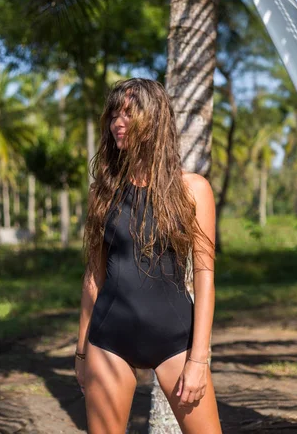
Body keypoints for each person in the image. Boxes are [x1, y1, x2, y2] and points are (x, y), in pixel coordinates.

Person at [75, 78, 222, 433]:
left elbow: (204, 277)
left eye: (128, 113)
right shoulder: (103, 192)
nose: (117, 123)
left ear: (154, 120)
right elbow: (95, 275)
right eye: (113, 114)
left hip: (175, 340)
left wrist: (198, 360)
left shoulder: (193, 190)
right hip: (108, 340)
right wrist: (81, 351)